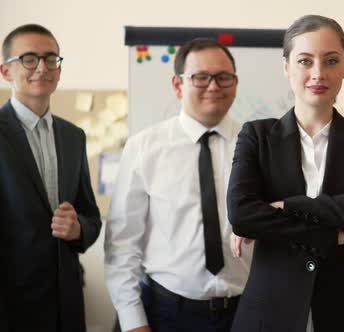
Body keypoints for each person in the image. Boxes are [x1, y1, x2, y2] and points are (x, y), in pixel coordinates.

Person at [227, 14, 344, 332]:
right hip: (270, 313)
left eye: (331, 60)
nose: (318, 73)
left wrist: (283, 207)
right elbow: (242, 214)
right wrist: (332, 230)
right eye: (305, 61)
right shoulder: (256, 136)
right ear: (287, 67)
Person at [104, 38, 251, 332]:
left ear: (235, 83)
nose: (213, 86)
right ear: (177, 85)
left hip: (244, 312)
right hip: (166, 312)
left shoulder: (257, 144)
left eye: (224, 77)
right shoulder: (145, 147)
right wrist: (134, 322)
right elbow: (122, 245)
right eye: (201, 77)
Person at [0, 24, 102, 332]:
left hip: (65, 302)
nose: (42, 67)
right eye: (29, 58)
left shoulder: (74, 137)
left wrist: (78, 229)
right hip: (9, 305)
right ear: (6, 71)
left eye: (51, 58)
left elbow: (91, 217)